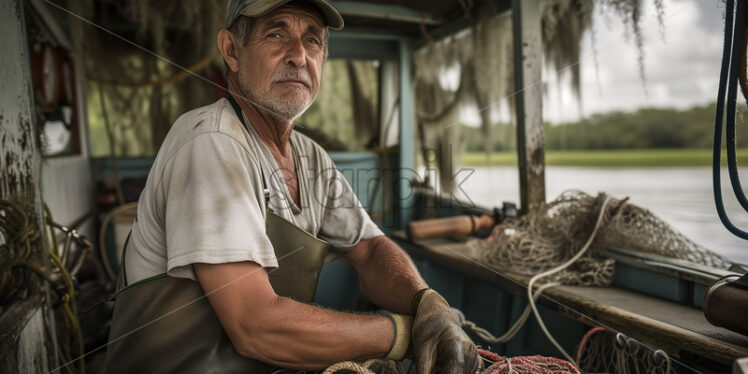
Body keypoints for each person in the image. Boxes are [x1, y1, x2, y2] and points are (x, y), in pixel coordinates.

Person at [104, 1, 480, 373]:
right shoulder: (210, 141)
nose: (298, 55)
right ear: (231, 51)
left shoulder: (310, 155)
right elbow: (256, 327)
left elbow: (369, 251)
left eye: (312, 40)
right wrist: (403, 334)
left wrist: (426, 303)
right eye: (276, 33)